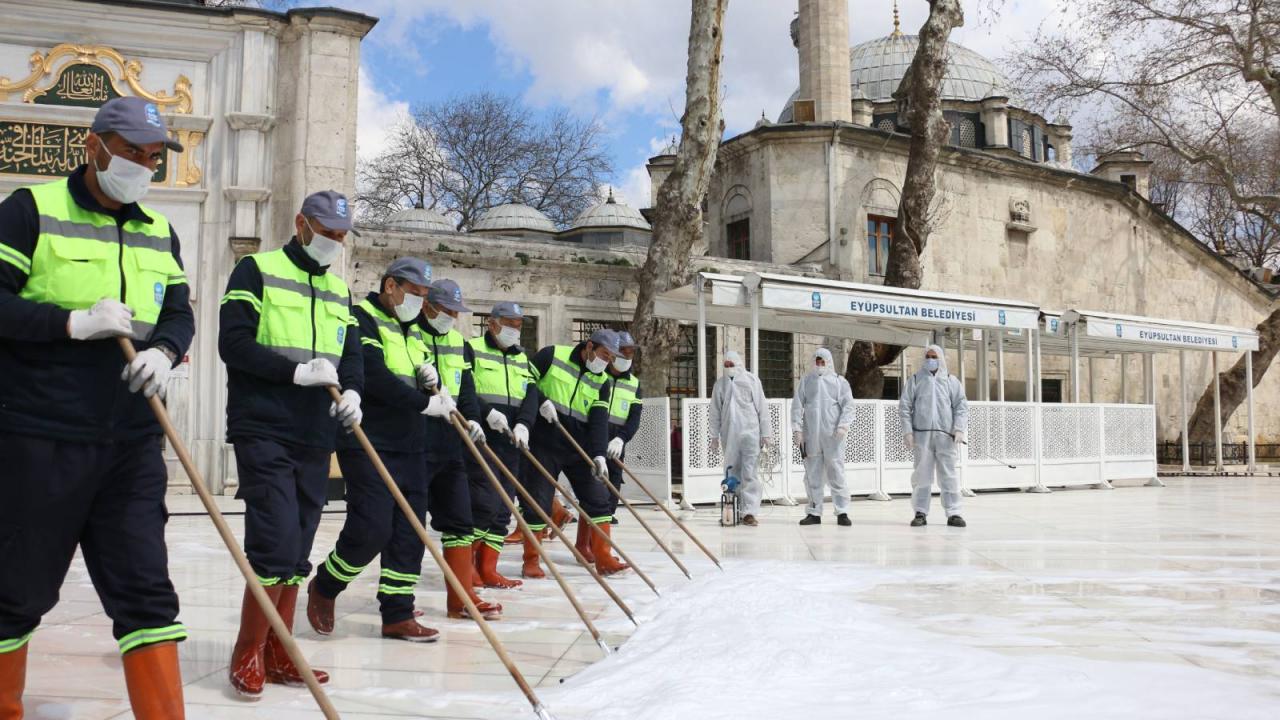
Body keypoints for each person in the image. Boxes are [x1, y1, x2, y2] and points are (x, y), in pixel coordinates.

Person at [0, 96, 193, 718]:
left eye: (154, 156)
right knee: (15, 592)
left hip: (133, 441)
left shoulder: (161, 231)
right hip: (39, 437)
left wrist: (165, 351)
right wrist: (70, 323)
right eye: (133, 151)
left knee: (147, 591)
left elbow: (180, 314)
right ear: (94, 146)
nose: (144, 165)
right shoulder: (30, 210)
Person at [220, 190, 364, 697]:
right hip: (263, 425)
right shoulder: (256, 270)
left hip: (314, 432)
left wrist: (353, 392)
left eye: (342, 236)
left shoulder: (339, 292)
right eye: (327, 233)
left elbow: (351, 356)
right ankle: (248, 650)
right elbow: (232, 344)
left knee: (299, 543)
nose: (334, 243)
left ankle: (280, 651)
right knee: (276, 540)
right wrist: (295, 372)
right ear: (301, 223)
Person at [307, 258, 452, 643]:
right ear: (391, 286)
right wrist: (422, 403)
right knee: (372, 527)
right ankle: (325, 585)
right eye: (415, 294)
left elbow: (410, 377)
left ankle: (398, 614)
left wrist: (429, 383)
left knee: (409, 530)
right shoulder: (362, 317)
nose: (420, 303)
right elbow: (372, 375)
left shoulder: (414, 332)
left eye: (424, 297)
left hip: (411, 443)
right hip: (369, 439)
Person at [417, 279, 502, 620]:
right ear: (428, 306)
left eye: (456, 312)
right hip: (415, 439)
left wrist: (473, 417)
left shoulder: (458, 343)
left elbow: (465, 390)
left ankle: (462, 598)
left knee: (460, 521)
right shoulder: (410, 333)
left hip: (451, 442)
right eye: (447, 310)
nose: (452, 317)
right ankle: (397, 603)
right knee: (405, 525)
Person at [521, 329, 628, 577]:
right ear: (589, 347)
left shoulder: (602, 381)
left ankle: (603, 557)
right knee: (538, 501)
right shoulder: (551, 356)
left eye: (611, 358)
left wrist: (599, 454)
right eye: (604, 354)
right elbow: (525, 380)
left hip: (578, 447)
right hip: (544, 441)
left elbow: (599, 421)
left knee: (599, 499)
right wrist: (540, 399)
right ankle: (531, 560)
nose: (607, 362)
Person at [465, 302, 539, 589]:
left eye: (519, 324)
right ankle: (468, 565)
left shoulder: (523, 359)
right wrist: (486, 413)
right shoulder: (471, 349)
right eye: (510, 323)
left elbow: (531, 394)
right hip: (481, 439)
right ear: (492, 324)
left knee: (503, 508)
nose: (515, 330)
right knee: (483, 503)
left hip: (511, 442)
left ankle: (488, 568)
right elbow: (465, 389)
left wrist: (524, 424)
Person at [900, 344, 969, 528]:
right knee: (922, 475)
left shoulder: (950, 381)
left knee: (949, 474)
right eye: (928, 356)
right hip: (922, 436)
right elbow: (905, 406)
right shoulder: (915, 380)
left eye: (934, 356)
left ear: (940, 358)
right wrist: (908, 431)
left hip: (945, 436)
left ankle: (954, 513)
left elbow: (961, 406)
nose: (930, 360)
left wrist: (959, 428)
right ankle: (920, 512)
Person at [791, 348, 854, 526]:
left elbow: (848, 406)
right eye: (817, 361)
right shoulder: (806, 381)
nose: (819, 365)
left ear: (829, 362)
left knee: (836, 472)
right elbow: (797, 407)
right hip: (811, 437)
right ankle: (814, 511)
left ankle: (842, 511)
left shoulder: (839, 382)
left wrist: (843, 426)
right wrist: (797, 430)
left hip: (833, 436)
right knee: (812, 475)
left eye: (822, 362)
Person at [709, 351, 771, 526]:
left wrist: (766, 433)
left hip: (751, 434)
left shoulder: (751, 381)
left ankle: (749, 512)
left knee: (750, 472)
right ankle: (731, 511)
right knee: (731, 473)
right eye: (726, 365)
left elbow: (762, 408)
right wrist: (714, 435)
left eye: (732, 365)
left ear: (739, 364)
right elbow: (714, 412)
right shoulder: (719, 385)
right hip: (729, 435)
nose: (729, 368)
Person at [599, 331, 643, 552]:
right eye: (624, 353)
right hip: (596, 434)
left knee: (614, 477)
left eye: (631, 353)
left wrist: (621, 439)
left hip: (617, 439)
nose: (628, 357)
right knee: (595, 478)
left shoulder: (634, 384)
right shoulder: (599, 375)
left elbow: (634, 418)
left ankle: (608, 515)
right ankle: (594, 517)